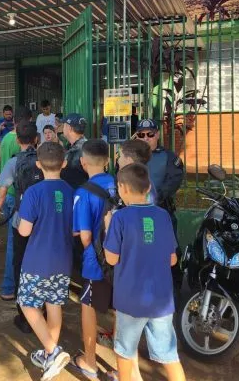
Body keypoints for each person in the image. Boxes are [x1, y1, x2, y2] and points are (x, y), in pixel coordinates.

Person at [104, 163, 186, 381]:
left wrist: (107, 229)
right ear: (149, 187)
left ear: (122, 188)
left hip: (130, 300)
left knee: (124, 351)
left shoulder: (119, 218)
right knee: (170, 356)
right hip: (161, 301)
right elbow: (172, 259)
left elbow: (111, 258)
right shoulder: (163, 216)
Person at [16, 142, 74, 380]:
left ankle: (53, 350)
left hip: (37, 260)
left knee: (27, 304)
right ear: (65, 163)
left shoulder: (33, 192)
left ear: (38, 165)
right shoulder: (72, 191)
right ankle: (50, 356)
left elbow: (24, 231)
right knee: (54, 304)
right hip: (63, 258)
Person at [0, 122, 43, 330]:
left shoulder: (13, 163)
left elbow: (1, 193)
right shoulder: (44, 160)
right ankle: (42, 309)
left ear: (18, 140)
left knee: (21, 264)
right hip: (43, 223)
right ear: (36, 139)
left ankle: (24, 314)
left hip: (21, 221)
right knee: (41, 265)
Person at [71, 139, 115, 380]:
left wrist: (93, 252)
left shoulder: (83, 192)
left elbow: (85, 236)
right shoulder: (122, 185)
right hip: (121, 260)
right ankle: (122, 367)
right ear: (108, 161)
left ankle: (89, 361)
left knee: (88, 306)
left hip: (96, 262)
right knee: (119, 309)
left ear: (82, 162)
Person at [134, 119, 185, 290]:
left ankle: (173, 292)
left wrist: (154, 198)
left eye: (150, 134)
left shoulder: (168, 157)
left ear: (157, 135)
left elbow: (173, 181)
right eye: (141, 134)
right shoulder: (131, 158)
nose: (146, 138)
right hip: (136, 216)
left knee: (169, 254)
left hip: (162, 214)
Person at [0, 106, 34, 299]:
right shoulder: (27, 148)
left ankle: (8, 288)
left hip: (8, 191)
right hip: (20, 196)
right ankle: (13, 286)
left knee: (13, 243)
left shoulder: (5, 140)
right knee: (19, 245)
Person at [61, 113, 88, 188]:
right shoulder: (71, 146)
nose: (62, 129)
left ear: (69, 128)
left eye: (64, 126)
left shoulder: (82, 149)